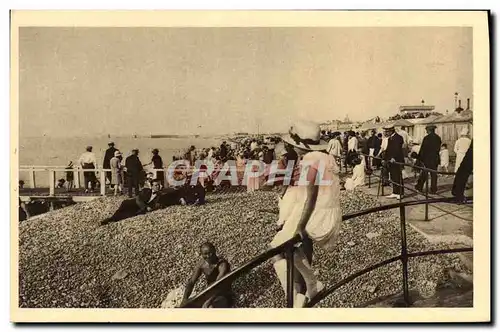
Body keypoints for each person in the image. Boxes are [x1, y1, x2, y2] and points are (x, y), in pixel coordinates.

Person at [269, 120, 342, 307]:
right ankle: (310, 285)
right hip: (327, 213)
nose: (294, 149)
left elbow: (310, 198)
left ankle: (296, 294)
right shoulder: (324, 158)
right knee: (292, 248)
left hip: (315, 215)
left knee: (276, 249)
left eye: (295, 145)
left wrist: (300, 225)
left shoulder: (311, 162)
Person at [180, 242, 233, 308]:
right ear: (201, 254)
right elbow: (191, 282)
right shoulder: (202, 264)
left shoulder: (222, 264)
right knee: (188, 306)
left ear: (215, 251)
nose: (208, 256)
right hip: (210, 293)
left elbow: (219, 284)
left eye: (210, 253)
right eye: (205, 254)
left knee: (210, 307)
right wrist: (184, 299)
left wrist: (209, 301)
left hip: (223, 294)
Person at [415, 124, 441, 194]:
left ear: (428, 130)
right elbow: (438, 149)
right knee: (434, 174)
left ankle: (419, 187)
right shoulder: (438, 138)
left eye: (426, 130)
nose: (426, 131)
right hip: (435, 159)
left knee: (424, 173)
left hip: (427, 159)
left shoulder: (426, 138)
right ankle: (433, 190)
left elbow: (423, 149)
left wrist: (419, 158)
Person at [381, 124, 405, 199]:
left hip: (396, 160)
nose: (386, 133)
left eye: (387, 131)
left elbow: (397, 149)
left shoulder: (398, 137)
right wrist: (384, 159)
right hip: (390, 161)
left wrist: (394, 157)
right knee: (393, 176)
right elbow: (388, 150)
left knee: (398, 176)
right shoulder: (390, 138)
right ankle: (395, 192)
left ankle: (400, 193)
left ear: (391, 131)